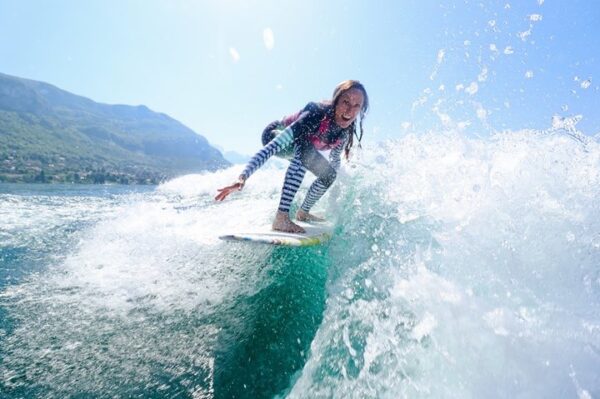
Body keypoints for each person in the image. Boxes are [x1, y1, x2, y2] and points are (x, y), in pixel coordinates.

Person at [215, 80, 369, 233]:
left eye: (357, 106)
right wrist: (243, 177)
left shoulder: (344, 131)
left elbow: (335, 160)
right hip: (273, 134)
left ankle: (303, 213)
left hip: (300, 147)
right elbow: (273, 146)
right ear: (336, 100)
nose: (350, 110)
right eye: (346, 102)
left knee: (328, 175)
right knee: (305, 150)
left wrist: (338, 183)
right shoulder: (316, 114)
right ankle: (281, 217)